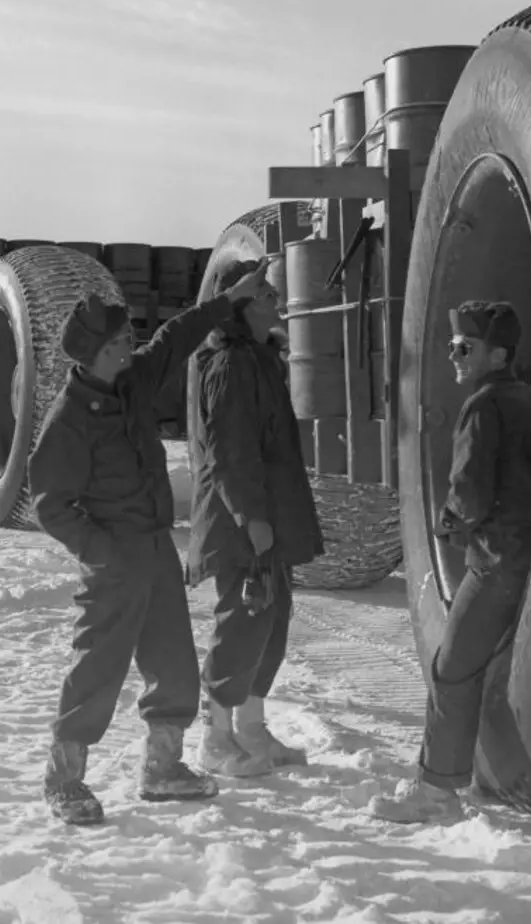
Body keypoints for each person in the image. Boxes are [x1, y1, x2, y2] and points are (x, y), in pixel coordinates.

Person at [30, 261, 272, 827]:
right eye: (116, 341)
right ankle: (64, 779)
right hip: (114, 557)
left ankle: (163, 768)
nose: (128, 347)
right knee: (97, 669)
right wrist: (100, 551)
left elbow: (176, 337)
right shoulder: (68, 421)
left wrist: (227, 301)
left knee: (174, 664)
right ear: (90, 352)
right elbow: (50, 505)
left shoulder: (133, 380)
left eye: (127, 338)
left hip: (156, 548)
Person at [368, 299, 531, 823]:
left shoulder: (483, 405)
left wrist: (447, 522)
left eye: (464, 347)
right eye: (451, 346)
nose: (453, 355)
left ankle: (436, 793)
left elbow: (468, 490)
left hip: (494, 561)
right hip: (530, 554)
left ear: (498, 354)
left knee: (451, 670)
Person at [186, 257, 325, 778]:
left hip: (266, 516)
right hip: (239, 519)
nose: (275, 297)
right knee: (243, 621)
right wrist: (251, 519)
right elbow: (229, 454)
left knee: (271, 619)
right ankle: (214, 738)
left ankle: (250, 728)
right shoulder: (230, 365)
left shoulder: (262, 359)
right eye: (263, 292)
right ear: (238, 307)